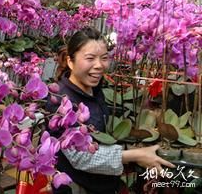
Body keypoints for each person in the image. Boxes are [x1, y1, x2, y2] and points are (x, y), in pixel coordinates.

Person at [47, 27, 175, 194]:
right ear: (70, 61)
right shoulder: (61, 101)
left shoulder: (94, 90)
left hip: (103, 184)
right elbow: (81, 157)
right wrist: (135, 155)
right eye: (90, 58)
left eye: (104, 58)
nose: (99, 65)